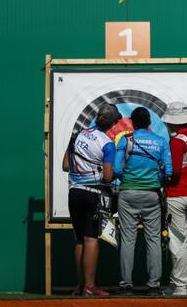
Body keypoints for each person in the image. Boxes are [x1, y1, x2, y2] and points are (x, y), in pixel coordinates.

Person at [62, 102, 121, 297]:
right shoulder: (107, 143)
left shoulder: (77, 134)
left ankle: (80, 286)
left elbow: (65, 165)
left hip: (74, 192)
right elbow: (107, 177)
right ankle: (90, 286)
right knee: (91, 238)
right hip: (93, 194)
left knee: (79, 240)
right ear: (113, 123)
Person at [113, 107, 173, 296]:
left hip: (128, 194)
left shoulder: (126, 139)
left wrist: (128, 180)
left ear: (132, 122)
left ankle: (125, 285)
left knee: (127, 240)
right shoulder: (161, 141)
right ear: (149, 122)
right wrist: (154, 180)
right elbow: (168, 172)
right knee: (153, 239)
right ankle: (154, 285)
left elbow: (116, 169)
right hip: (152, 194)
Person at [161, 102, 187, 297]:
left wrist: (162, 174)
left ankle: (179, 286)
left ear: (172, 122)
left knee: (177, 241)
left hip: (176, 196)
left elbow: (175, 171)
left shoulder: (177, 141)